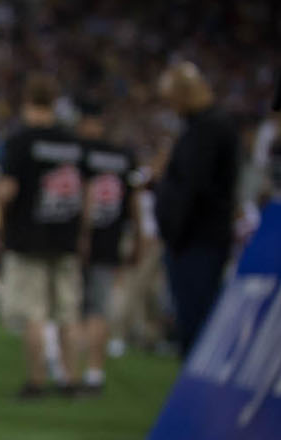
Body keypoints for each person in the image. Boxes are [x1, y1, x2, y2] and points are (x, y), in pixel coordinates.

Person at [0, 75, 87, 398]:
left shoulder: (20, 141)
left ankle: (37, 381)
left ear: (27, 101)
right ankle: (71, 380)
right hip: (66, 236)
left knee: (34, 314)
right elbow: (86, 194)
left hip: (28, 237)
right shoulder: (72, 142)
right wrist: (83, 234)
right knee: (68, 313)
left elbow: (7, 191)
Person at [153, 61, 240, 356]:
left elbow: (195, 187)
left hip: (198, 240)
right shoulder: (201, 126)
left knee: (197, 319)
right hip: (194, 238)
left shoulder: (210, 127)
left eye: (171, 99)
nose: (170, 107)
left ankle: (200, 392)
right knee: (191, 316)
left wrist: (175, 232)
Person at [77, 101, 141, 388]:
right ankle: (94, 372)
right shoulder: (124, 157)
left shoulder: (82, 154)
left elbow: (86, 198)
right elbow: (135, 201)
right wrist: (138, 236)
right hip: (112, 238)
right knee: (99, 307)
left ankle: (76, 370)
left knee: (81, 308)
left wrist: (82, 236)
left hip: (84, 242)